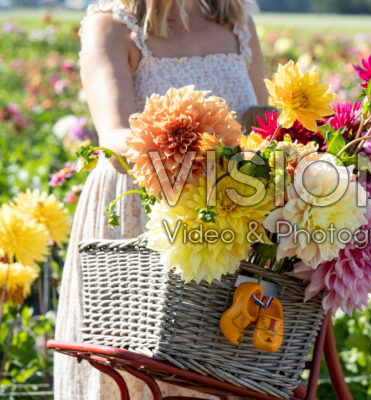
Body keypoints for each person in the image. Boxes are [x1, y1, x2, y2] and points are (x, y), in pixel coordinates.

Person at [54, 0, 267, 398]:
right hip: (139, 217)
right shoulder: (113, 26)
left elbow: (266, 123)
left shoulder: (238, 24)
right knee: (136, 371)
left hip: (228, 222)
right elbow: (114, 139)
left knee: (218, 363)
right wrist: (192, 156)